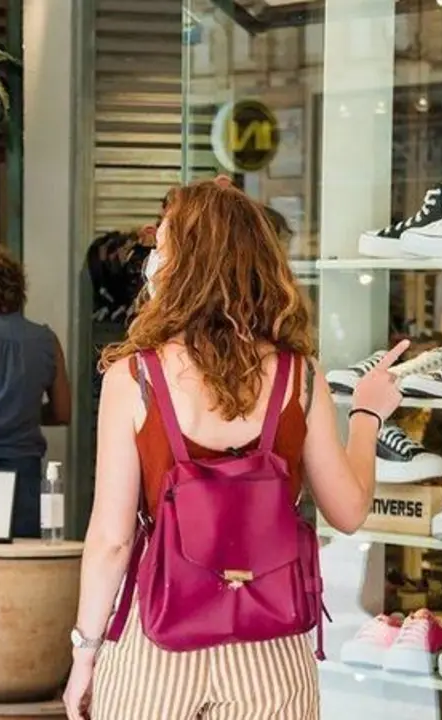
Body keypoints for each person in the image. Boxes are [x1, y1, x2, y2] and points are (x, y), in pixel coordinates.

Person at [61, 180, 406, 720]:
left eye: (164, 245)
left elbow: (110, 539)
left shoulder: (135, 377)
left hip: (156, 636)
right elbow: (348, 509)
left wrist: (85, 652)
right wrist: (366, 415)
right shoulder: (300, 376)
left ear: (185, 265)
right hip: (270, 645)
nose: (153, 257)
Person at [0, 242, 70, 537]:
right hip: (27, 477)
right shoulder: (47, 341)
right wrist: (23, 411)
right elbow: (62, 412)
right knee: (25, 572)